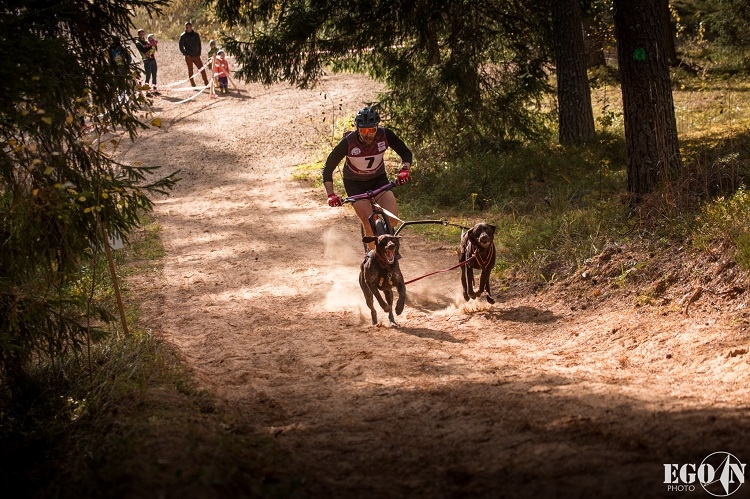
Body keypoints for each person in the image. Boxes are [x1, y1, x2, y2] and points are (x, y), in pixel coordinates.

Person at [322, 107, 412, 251]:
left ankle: (386, 233)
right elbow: (328, 168)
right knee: (368, 223)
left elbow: (405, 152)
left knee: (393, 219)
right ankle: (372, 259)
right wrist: (330, 195)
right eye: (364, 131)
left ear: (377, 127)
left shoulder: (385, 135)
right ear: (357, 128)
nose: (368, 134)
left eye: (372, 130)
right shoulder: (348, 142)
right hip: (355, 185)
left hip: (378, 180)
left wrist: (404, 170)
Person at [178, 22, 209, 88]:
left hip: (196, 55)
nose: (187, 28)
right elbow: (181, 46)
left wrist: (199, 53)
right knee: (190, 70)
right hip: (189, 56)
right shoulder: (183, 36)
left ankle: (206, 82)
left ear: (191, 27)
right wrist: (185, 54)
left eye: (188, 27)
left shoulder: (196, 35)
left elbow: (199, 44)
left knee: (202, 69)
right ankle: (192, 83)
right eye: (186, 27)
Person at [135, 29, 158, 94]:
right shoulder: (138, 42)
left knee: (154, 74)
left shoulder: (146, 41)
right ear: (139, 34)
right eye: (141, 34)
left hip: (153, 59)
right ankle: (146, 91)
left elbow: (153, 48)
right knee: (148, 75)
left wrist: (152, 45)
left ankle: (155, 89)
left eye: (143, 34)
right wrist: (151, 46)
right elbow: (143, 50)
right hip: (146, 60)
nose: (142, 35)